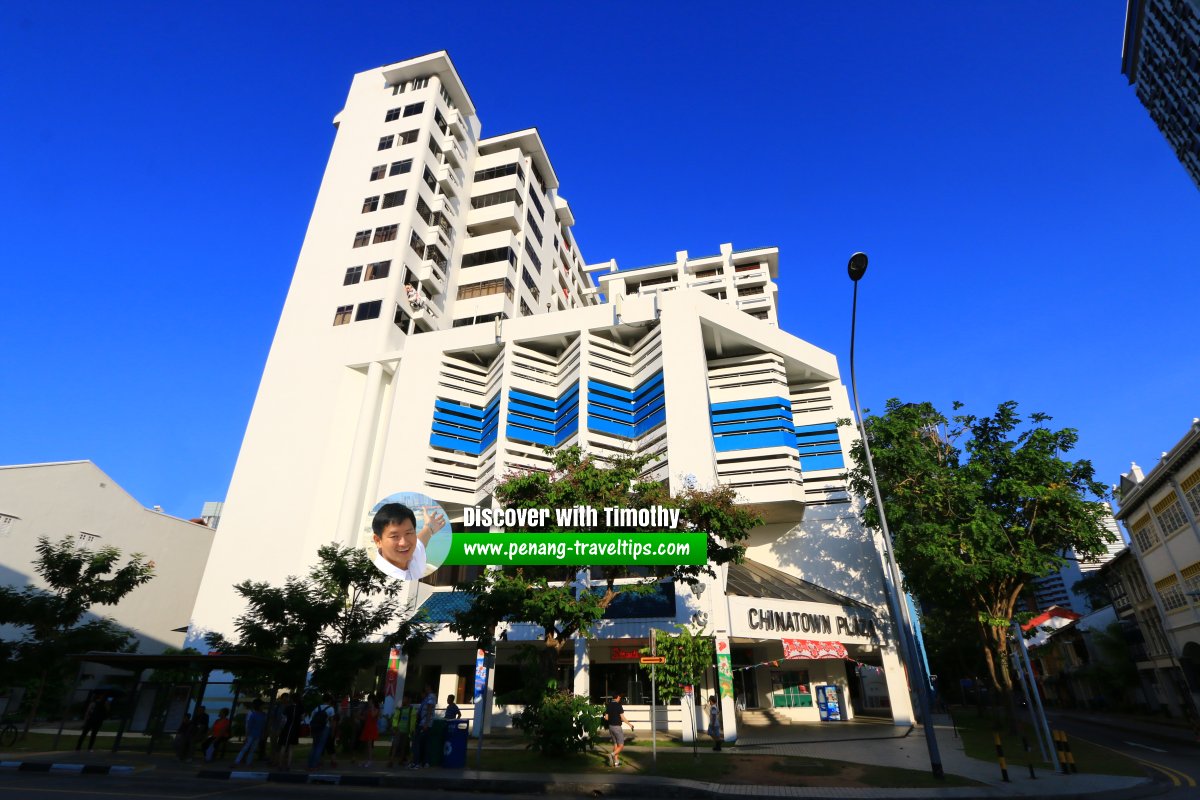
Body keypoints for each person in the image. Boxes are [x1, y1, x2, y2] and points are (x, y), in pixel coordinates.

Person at [370, 503, 446, 582]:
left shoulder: (413, 554)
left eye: (408, 533)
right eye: (394, 536)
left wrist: (429, 527)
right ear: (378, 541)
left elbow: (421, 541)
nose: (404, 543)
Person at [408, 684, 437, 769]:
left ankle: (416, 762)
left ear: (430, 688)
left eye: (427, 687)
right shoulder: (428, 697)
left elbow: (429, 709)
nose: (426, 689)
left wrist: (426, 723)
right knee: (425, 743)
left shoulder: (431, 697)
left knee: (417, 742)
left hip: (424, 723)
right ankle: (424, 762)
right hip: (424, 722)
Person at [307, 693, 337, 770]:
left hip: (315, 728)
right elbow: (332, 722)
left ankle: (309, 765)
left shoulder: (317, 708)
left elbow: (312, 718)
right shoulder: (331, 709)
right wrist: (333, 731)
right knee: (320, 747)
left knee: (314, 746)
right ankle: (314, 765)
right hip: (324, 728)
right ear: (330, 700)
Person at [604, 691, 634, 768]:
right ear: (617, 697)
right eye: (620, 697)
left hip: (611, 727)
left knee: (615, 744)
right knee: (621, 745)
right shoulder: (618, 706)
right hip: (617, 727)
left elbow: (606, 718)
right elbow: (622, 718)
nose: (620, 699)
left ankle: (616, 763)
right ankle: (611, 755)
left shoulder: (609, 705)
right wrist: (630, 724)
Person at [387, 694, 417, 768]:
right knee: (395, 745)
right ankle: (391, 760)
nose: (404, 700)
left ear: (408, 700)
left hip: (406, 731)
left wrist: (412, 730)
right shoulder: (400, 709)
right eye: (403, 698)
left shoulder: (412, 709)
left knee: (403, 746)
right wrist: (394, 727)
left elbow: (413, 720)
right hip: (399, 729)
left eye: (405, 699)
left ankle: (401, 760)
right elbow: (395, 718)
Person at [234, 700, 266, 767]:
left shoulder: (262, 715)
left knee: (252, 749)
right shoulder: (254, 714)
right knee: (246, 748)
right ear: (259, 706)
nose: (263, 707)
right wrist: (247, 735)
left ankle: (248, 762)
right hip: (251, 734)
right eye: (262, 705)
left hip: (257, 734)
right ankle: (237, 761)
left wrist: (262, 734)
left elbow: (263, 726)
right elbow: (249, 725)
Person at [359, 698, 381, 767]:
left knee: (369, 745)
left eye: (370, 701)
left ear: (373, 702)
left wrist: (372, 707)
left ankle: (370, 760)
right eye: (369, 701)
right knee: (366, 746)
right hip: (367, 728)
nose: (369, 702)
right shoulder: (369, 709)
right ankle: (366, 760)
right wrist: (359, 715)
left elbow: (373, 715)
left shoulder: (376, 710)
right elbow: (365, 718)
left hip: (372, 728)